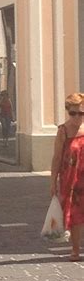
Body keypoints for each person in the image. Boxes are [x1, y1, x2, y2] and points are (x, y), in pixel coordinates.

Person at [50, 92, 84, 262]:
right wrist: (52, 181)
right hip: (70, 179)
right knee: (76, 215)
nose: (77, 117)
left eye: (81, 113)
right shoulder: (63, 131)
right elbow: (56, 158)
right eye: (73, 113)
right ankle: (76, 249)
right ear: (68, 112)